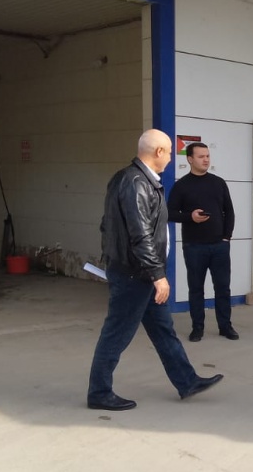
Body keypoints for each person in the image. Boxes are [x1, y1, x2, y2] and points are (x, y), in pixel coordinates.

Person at [87, 129, 223, 410]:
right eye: (170, 152)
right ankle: (99, 392)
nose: (172, 157)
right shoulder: (136, 183)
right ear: (158, 152)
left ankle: (187, 381)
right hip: (135, 274)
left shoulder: (132, 179)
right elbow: (140, 235)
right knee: (116, 333)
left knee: (163, 330)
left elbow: (107, 225)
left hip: (141, 272)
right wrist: (158, 275)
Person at [167, 142, 239, 342]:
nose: (206, 160)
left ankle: (225, 327)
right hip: (194, 246)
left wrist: (226, 237)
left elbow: (229, 211)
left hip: (219, 246)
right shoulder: (182, 186)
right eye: (201, 156)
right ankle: (197, 328)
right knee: (196, 288)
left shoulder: (218, 183)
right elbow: (169, 213)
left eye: (207, 156)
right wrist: (190, 216)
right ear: (190, 159)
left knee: (223, 288)